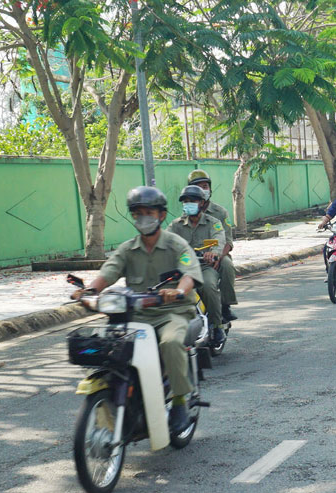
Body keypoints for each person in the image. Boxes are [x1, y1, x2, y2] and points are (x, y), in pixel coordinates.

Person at [70, 186, 203, 434]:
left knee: (171, 343)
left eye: (149, 212)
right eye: (138, 213)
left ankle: (179, 402)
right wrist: (89, 292)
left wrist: (179, 290)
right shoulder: (127, 248)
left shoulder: (177, 245)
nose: (144, 217)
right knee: (109, 349)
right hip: (136, 315)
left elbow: (190, 274)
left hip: (172, 313)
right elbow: (108, 273)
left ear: (161, 215)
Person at [169, 185, 228, 346]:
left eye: (192, 201)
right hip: (181, 270)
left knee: (209, 286)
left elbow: (219, 239)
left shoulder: (213, 222)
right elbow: (165, 242)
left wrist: (213, 253)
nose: (189, 204)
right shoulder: (176, 225)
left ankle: (217, 326)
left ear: (202, 203)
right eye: (186, 201)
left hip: (204, 267)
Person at [187, 169, 238, 322]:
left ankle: (225, 305)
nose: (203, 190)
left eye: (205, 186)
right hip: (195, 259)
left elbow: (227, 241)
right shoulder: (186, 214)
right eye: (198, 187)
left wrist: (217, 257)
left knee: (227, 266)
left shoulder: (220, 213)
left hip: (218, 254)